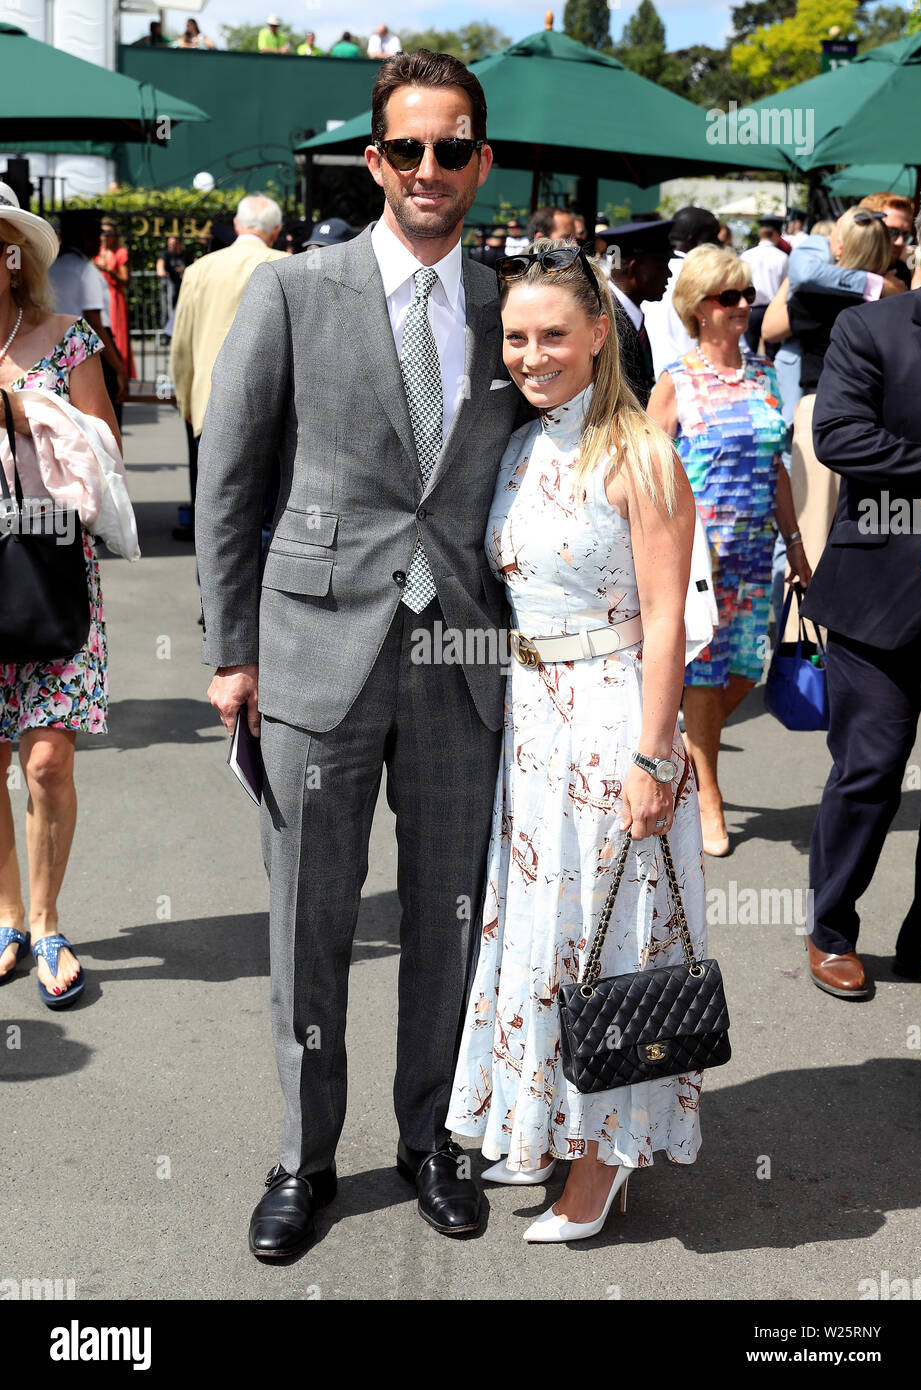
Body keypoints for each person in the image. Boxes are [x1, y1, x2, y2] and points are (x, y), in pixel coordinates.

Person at [195, 49, 531, 1261]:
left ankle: (430, 1136)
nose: (429, 169)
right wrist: (230, 650)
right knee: (308, 921)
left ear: (479, 163)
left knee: (451, 914)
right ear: (374, 158)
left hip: (462, 659)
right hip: (311, 650)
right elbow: (227, 481)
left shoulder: (519, 309)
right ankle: (305, 1153)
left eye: (452, 148)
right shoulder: (293, 290)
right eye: (407, 148)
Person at [446, 239, 705, 1243]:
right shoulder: (521, 442)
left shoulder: (639, 449)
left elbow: (665, 617)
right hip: (533, 720)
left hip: (608, 720)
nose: (531, 352)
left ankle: (602, 1164)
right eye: (515, 335)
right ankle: (562, 1123)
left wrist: (651, 756)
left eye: (554, 333)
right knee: (552, 940)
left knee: (615, 943)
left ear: (600, 334)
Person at [800, 193, 921, 997]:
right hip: (878, 596)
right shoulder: (873, 327)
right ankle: (830, 927)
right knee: (870, 770)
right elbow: (841, 436)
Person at [0, 184, 125, 1007]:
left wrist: (22, 408)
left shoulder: (66, 339)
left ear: (12, 253)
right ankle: (6, 915)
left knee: (45, 761)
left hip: (47, 570)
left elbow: (106, 447)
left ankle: (47, 921)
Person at [647, 245, 810, 857]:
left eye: (748, 296)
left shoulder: (765, 376)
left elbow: (779, 471)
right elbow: (647, 474)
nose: (744, 306)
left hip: (754, 556)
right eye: (728, 297)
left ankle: (693, 748)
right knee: (708, 676)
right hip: (698, 562)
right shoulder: (677, 382)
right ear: (697, 308)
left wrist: (795, 546)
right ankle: (708, 795)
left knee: (746, 672)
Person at [763, 210, 894, 618]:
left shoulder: (813, 294)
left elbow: (768, 328)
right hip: (878, 416)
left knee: (808, 528)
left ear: (840, 246)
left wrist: (800, 275)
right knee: (870, 525)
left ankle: (797, 633)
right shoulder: (895, 297)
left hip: (819, 408)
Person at [169, 194, 285, 535]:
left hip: (207, 405)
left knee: (215, 520)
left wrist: (185, 401)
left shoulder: (197, 270)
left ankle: (213, 588)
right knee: (267, 519)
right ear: (276, 232)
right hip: (273, 412)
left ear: (236, 225)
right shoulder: (286, 267)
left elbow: (182, 346)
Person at [48, 212, 127, 428]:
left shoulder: (51, 267)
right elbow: (95, 325)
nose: (99, 240)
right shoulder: (85, 269)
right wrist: (118, 369)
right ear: (83, 237)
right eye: (94, 235)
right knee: (104, 426)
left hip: (54, 351)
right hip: (88, 352)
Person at [600, 219, 673, 408]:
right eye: (662, 264)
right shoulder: (608, 320)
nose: (669, 274)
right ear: (634, 267)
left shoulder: (622, 312)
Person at [642, 205, 720, 378]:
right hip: (692, 380)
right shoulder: (707, 277)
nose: (719, 245)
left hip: (651, 378)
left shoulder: (647, 273)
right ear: (694, 240)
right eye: (713, 238)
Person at [94, 219, 135, 380]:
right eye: (103, 233)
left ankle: (121, 373)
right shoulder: (97, 252)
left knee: (117, 335)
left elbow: (125, 280)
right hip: (98, 296)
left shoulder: (120, 253)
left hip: (114, 297)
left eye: (108, 233)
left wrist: (109, 271)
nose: (105, 236)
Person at [740, 220, 788, 355]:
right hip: (772, 308)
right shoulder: (782, 257)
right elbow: (785, 285)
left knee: (749, 350)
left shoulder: (747, 255)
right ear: (775, 234)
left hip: (752, 308)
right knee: (773, 352)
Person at [858, 191, 915, 287]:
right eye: (892, 231)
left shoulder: (902, 272)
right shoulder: (842, 270)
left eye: (905, 235)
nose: (900, 242)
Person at [155, 233, 187, 319]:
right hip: (169, 288)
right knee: (168, 311)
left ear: (179, 244)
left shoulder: (185, 255)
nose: (171, 246)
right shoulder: (166, 254)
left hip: (183, 288)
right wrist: (160, 270)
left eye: (173, 244)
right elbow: (160, 263)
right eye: (170, 244)